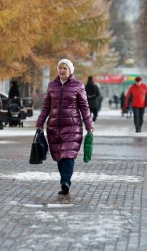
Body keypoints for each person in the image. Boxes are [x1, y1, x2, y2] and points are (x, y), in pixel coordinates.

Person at [36, 59, 94, 196]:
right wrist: (40, 123)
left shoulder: (78, 86)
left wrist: (89, 125)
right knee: (59, 155)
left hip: (73, 127)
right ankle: (64, 180)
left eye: (65, 68)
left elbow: (84, 107)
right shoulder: (52, 86)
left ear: (70, 71)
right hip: (54, 127)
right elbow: (46, 107)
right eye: (60, 68)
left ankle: (65, 181)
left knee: (68, 154)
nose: (62, 71)